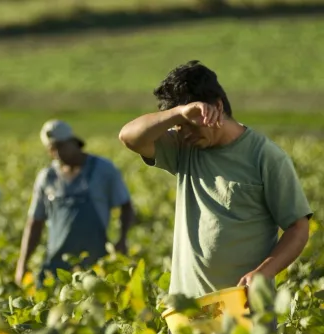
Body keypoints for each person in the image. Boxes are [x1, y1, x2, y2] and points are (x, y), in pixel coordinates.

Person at [118, 60, 312, 300]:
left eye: (189, 124)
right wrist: (179, 114)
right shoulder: (183, 148)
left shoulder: (265, 156)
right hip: (189, 308)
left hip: (244, 306)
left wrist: (264, 272)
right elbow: (129, 137)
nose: (184, 133)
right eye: (178, 126)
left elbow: (298, 227)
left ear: (217, 107)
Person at [15, 120, 135, 287]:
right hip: (57, 266)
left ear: (74, 142)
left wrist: (122, 239)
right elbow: (35, 222)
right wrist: (22, 264)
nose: (57, 153)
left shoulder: (103, 169)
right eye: (52, 149)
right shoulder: (47, 177)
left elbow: (126, 206)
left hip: (95, 263)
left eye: (61, 146)